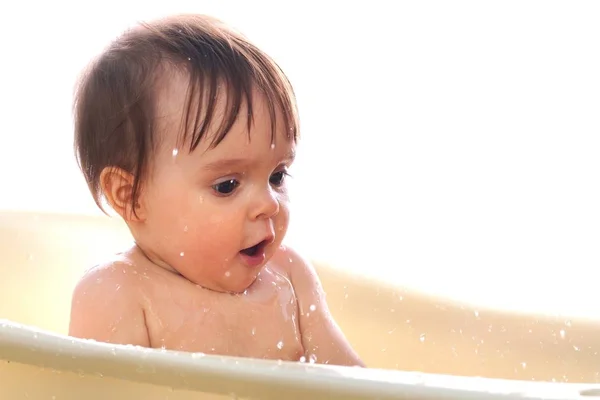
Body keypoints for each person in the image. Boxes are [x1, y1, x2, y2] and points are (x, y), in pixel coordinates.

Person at [68, 13, 364, 367]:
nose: (268, 204)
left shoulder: (290, 278)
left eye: (277, 176)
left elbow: (356, 386)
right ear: (131, 196)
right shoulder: (120, 294)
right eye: (227, 185)